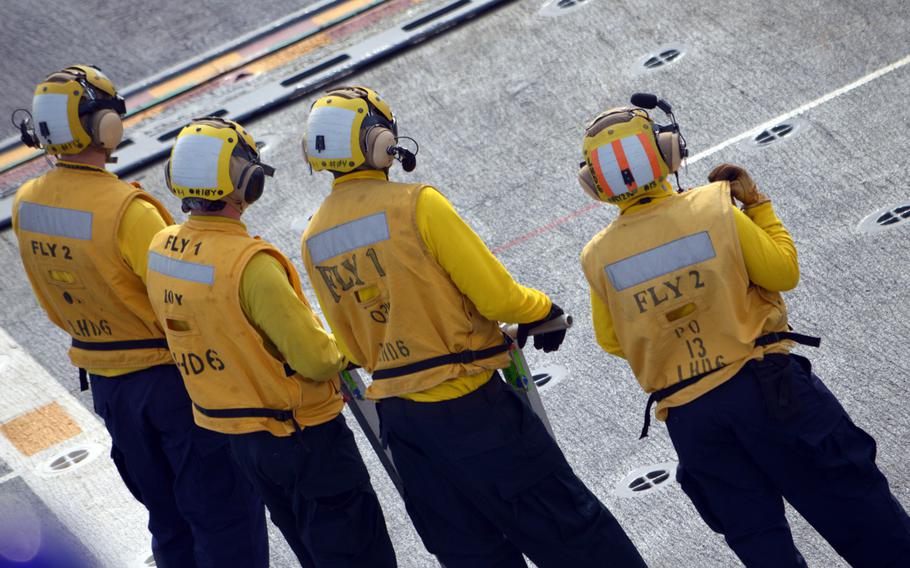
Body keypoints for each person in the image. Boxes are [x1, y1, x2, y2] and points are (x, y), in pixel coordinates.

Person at [300, 85, 647, 568]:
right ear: (379, 140)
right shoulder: (416, 205)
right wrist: (541, 309)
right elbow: (496, 295)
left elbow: (351, 349)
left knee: (473, 556)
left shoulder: (314, 239)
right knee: (575, 534)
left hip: (406, 430)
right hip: (473, 412)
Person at [577, 101, 910, 567]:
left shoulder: (597, 256)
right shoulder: (713, 207)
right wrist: (757, 205)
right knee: (860, 514)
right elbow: (782, 271)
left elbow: (613, 340)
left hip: (693, 421)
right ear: (668, 152)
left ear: (595, 183)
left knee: (761, 545)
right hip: (768, 392)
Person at [11, 65, 268, 568]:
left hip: (109, 387)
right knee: (224, 518)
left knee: (168, 523)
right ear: (104, 126)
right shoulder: (128, 210)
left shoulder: (27, 204)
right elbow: (186, 298)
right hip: (173, 386)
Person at [145, 116, 397, 568]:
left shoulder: (161, 247)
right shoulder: (250, 264)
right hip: (304, 438)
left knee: (310, 550)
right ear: (248, 182)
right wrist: (347, 347)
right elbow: (316, 359)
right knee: (356, 552)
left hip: (243, 441)